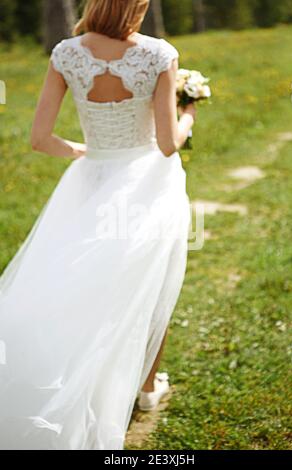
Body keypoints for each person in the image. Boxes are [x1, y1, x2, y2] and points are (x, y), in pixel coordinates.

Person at [0, 0, 196, 450]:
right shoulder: (159, 54)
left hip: (89, 183)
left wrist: (83, 152)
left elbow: (39, 139)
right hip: (146, 183)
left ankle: (69, 380)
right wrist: (189, 115)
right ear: (138, 8)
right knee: (150, 283)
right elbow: (167, 145)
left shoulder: (66, 53)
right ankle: (146, 389)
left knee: (75, 283)